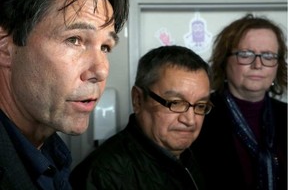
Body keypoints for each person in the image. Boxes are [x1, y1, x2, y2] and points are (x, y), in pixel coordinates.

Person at [0, 0, 129, 189]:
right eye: (74, 40)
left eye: (105, 47)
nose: (101, 70)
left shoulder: (51, 153)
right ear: (5, 46)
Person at [70, 45, 213, 190]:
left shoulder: (199, 158)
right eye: (175, 103)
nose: (190, 120)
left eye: (200, 106)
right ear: (138, 99)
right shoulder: (102, 175)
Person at [191, 14, 287, 190]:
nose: (258, 64)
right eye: (246, 54)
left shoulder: (285, 115)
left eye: (268, 55)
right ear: (224, 60)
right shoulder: (199, 114)